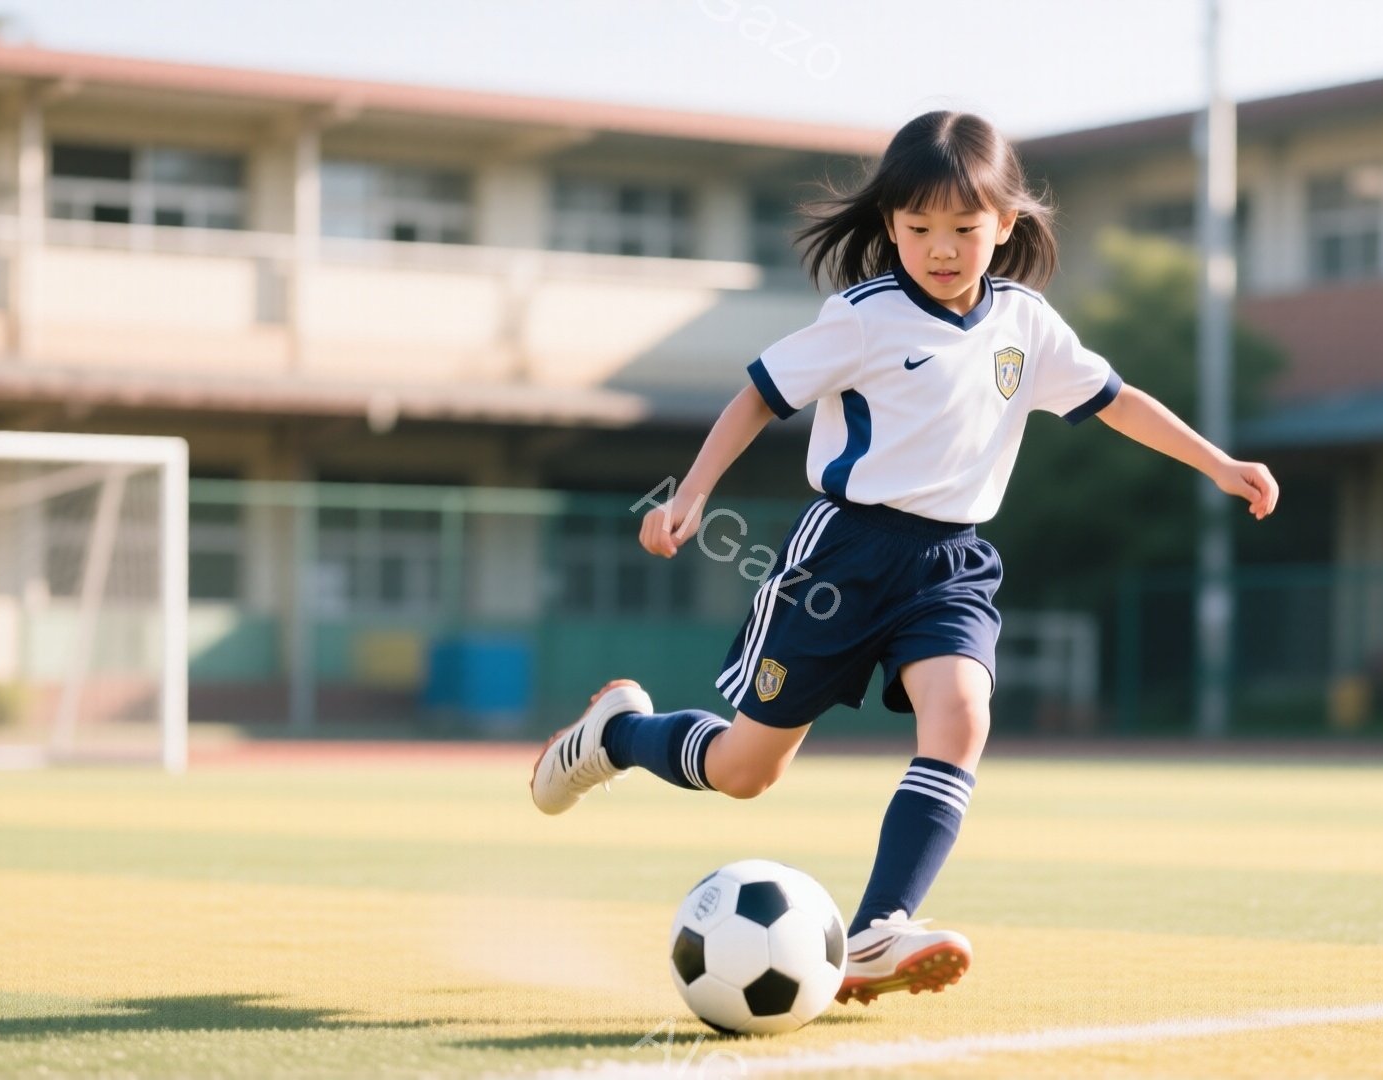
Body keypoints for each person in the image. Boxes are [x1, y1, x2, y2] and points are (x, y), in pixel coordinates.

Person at [530, 111, 1279, 1005]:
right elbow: (756, 399)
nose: (942, 247)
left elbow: (1118, 401)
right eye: (919, 228)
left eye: (965, 229)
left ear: (1006, 223)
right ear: (889, 224)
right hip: (841, 560)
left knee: (962, 715)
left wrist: (1219, 463)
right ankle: (616, 731)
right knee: (744, 772)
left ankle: (881, 929)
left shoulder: (1027, 326)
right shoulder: (860, 319)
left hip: (954, 565)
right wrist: (691, 493)